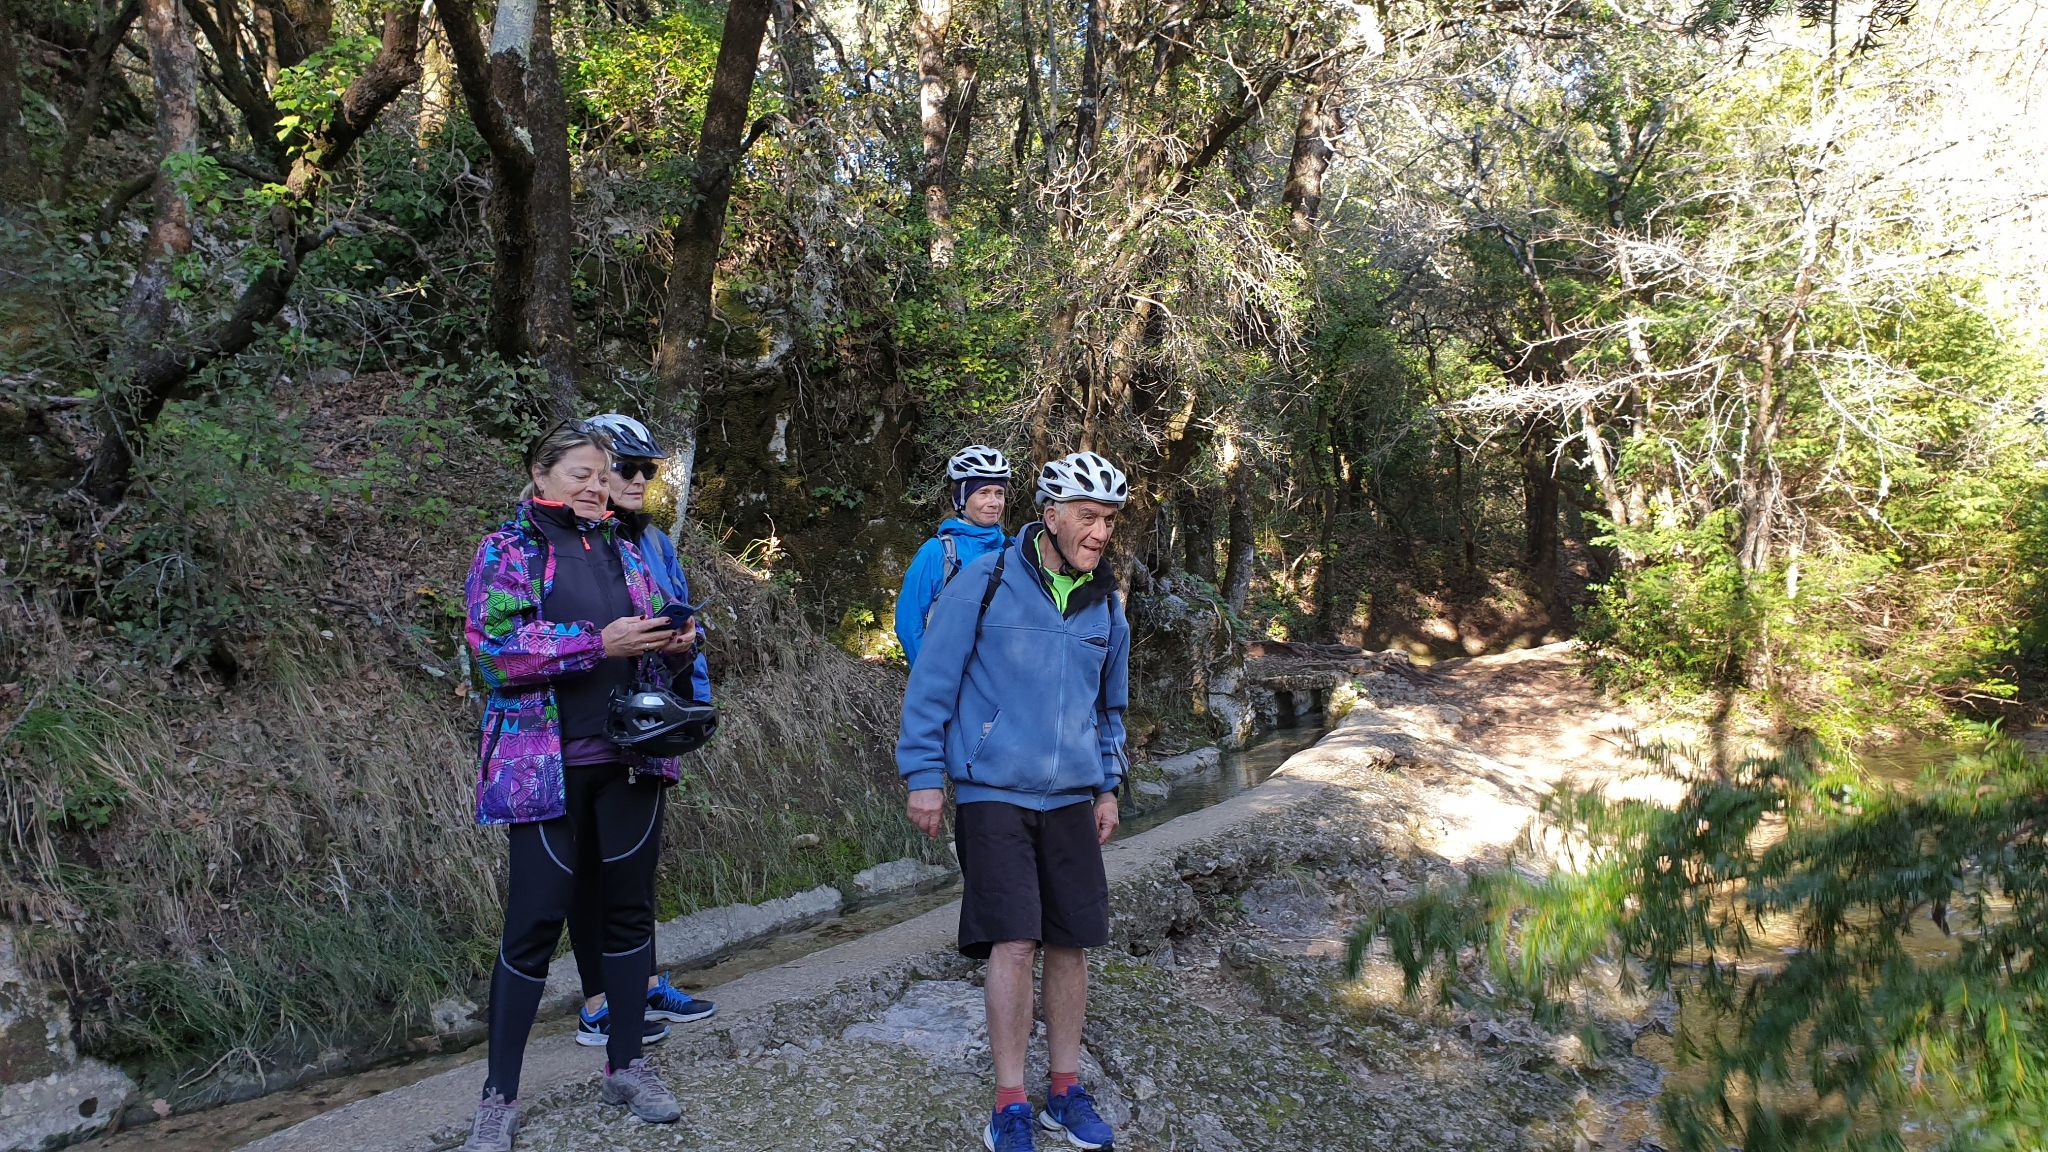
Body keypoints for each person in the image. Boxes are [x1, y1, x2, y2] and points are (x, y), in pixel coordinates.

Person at [458, 421, 695, 1150]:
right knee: (533, 925)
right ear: (541, 475)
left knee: (628, 915)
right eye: (580, 474)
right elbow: (492, 653)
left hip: (632, 759)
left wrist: (674, 643)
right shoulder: (508, 549)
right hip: (544, 765)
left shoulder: (630, 547)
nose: (596, 487)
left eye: (603, 475)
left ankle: (627, 1066)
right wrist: (599, 642)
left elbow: (655, 646)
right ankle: (498, 1098)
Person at [896, 450, 1133, 1152]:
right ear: (1051, 515)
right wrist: (924, 775)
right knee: (1015, 939)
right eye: (1087, 517)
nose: (1099, 532)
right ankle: (1009, 1103)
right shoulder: (985, 580)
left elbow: (1109, 706)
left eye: (1109, 520)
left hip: (1072, 797)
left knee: (1071, 942)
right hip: (992, 788)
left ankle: (1064, 1089)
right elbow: (933, 681)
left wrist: (1108, 784)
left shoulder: (1105, 602)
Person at [560, 413, 715, 1051]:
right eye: (624, 467)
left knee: (634, 865)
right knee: (586, 868)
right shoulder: (556, 543)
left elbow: (682, 619)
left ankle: (642, 982)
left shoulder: (652, 542)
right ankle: (598, 1002)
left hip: (645, 723)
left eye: (646, 470)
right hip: (575, 729)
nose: (636, 480)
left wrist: (690, 676)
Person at [894, 445, 1013, 666]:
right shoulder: (937, 552)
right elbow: (908, 623)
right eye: (983, 493)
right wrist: (929, 676)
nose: (994, 502)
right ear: (961, 498)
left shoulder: (1012, 552)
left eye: (999, 493)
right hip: (948, 674)